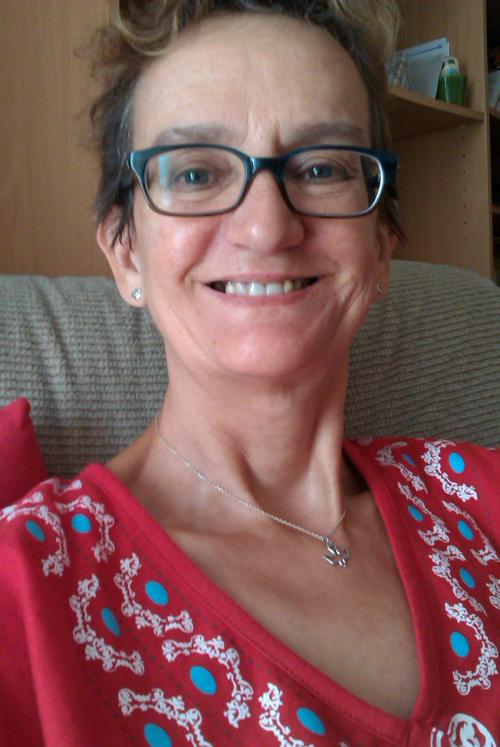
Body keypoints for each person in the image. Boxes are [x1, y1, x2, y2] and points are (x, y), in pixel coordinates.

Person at [1, 1, 499, 745]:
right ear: (126, 252)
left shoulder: (479, 497)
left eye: (322, 167)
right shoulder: (25, 587)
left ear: (382, 246)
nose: (268, 227)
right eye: (196, 171)